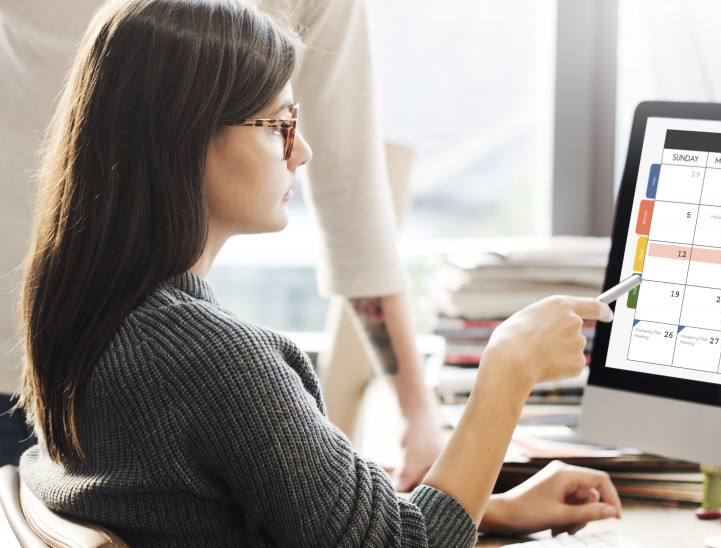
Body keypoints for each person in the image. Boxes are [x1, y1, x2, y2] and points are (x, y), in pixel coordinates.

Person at [16, 0, 621, 545]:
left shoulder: (90, 318)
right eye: (277, 125)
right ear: (186, 138)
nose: (301, 149)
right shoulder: (212, 362)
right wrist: (509, 367)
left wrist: (488, 508)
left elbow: (295, 509)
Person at [0, 0, 443, 489]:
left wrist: (415, 413)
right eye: (277, 126)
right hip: (40, 363)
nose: (300, 151)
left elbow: (351, 194)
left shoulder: (204, 356)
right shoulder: (225, 367)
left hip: (69, 350)